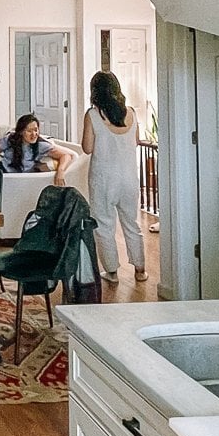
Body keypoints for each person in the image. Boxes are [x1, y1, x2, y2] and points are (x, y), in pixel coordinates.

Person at [82, 70, 147, 284]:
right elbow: (135, 141)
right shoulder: (131, 113)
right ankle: (140, 270)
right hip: (129, 178)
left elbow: (87, 148)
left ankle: (111, 272)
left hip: (103, 179)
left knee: (104, 225)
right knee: (132, 223)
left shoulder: (92, 115)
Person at [0, 112, 71, 185]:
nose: (34, 134)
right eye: (29, 131)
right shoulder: (10, 139)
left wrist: (61, 170)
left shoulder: (41, 145)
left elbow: (66, 156)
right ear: (20, 132)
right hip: (0, 170)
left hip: (17, 179)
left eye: (36, 130)